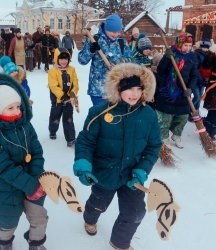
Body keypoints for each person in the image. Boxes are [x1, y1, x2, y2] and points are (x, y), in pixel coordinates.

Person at [73, 61, 161, 250]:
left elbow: (153, 146)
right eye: (130, 89)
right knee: (98, 203)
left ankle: (120, 242)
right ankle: (90, 218)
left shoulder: (149, 115)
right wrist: (83, 165)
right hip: (105, 173)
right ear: (118, 88)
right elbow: (86, 141)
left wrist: (142, 171)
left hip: (133, 175)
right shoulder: (100, 113)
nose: (135, 94)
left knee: (135, 212)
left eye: (139, 88)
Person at [0, 73, 48, 250]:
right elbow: (4, 168)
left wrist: (36, 176)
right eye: (10, 108)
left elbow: (36, 151)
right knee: (8, 222)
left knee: (39, 218)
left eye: (18, 106)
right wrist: (30, 185)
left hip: (33, 180)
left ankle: (36, 243)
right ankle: (4, 241)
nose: (17, 112)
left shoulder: (26, 127)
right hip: (4, 188)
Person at [155, 32, 198, 148]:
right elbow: (160, 71)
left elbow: (194, 75)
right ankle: (163, 136)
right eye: (185, 45)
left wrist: (191, 88)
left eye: (190, 46)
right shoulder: (171, 52)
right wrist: (166, 58)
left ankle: (176, 135)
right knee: (165, 116)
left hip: (183, 92)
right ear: (179, 43)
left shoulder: (192, 57)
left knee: (182, 117)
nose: (188, 48)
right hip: (167, 90)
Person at [78, 14, 131, 106]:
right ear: (106, 28)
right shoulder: (94, 40)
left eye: (118, 32)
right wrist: (90, 50)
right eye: (113, 32)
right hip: (98, 90)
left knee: (115, 118)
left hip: (117, 89)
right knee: (102, 117)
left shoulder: (122, 43)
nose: (116, 35)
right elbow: (82, 60)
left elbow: (129, 64)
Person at [48, 48, 79, 147]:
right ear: (57, 59)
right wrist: (62, 96)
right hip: (57, 100)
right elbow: (53, 86)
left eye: (66, 59)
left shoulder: (72, 69)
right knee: (55, 117)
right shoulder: (52, 71)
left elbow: (75, 83)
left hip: (69, 100)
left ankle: (70, 139)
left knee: (68, 119)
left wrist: (73, 93)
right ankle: (52, 130)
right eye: (61, 59)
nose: (64, 61)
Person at [188, 38, 211, 122]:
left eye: (207, 47)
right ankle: (188, 111)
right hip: (196, 79)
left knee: (200, 97)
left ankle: (195, 113)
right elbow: (195, 69)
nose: (205, 49)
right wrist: (201, 78)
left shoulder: (209, 55)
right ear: (201, 46)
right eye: (204, 47)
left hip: (203, 80)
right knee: (197, 97)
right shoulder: (196, 54)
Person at [200, 45, 216, 140]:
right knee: (213, 108)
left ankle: (210, 129)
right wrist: (210, 52)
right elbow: (205, 65)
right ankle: (209, 131)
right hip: (214, 83)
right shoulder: (213, 56)